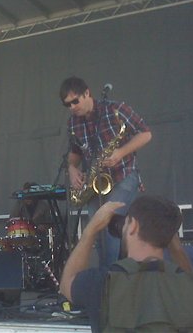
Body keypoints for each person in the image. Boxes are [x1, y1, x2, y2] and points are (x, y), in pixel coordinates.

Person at [60, 195, 193, 332]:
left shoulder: (102, 282)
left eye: (127, 223)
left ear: (133, 226)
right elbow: (191, 281)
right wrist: (176, 248)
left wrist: (90, 230)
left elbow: (67, 283)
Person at [60, 76, 152, 269]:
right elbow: (75, 153)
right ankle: (112, 275)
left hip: (124, 175)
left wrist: (120, 153)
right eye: (67, 104)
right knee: (98, 231)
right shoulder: (73, 123)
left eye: (75, 101)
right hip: (97, 184)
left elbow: (145, 134)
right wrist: (72, 168)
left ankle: (110, 277)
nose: (72, 107)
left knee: (109, 223)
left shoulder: (116, 109)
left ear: (87, 93)